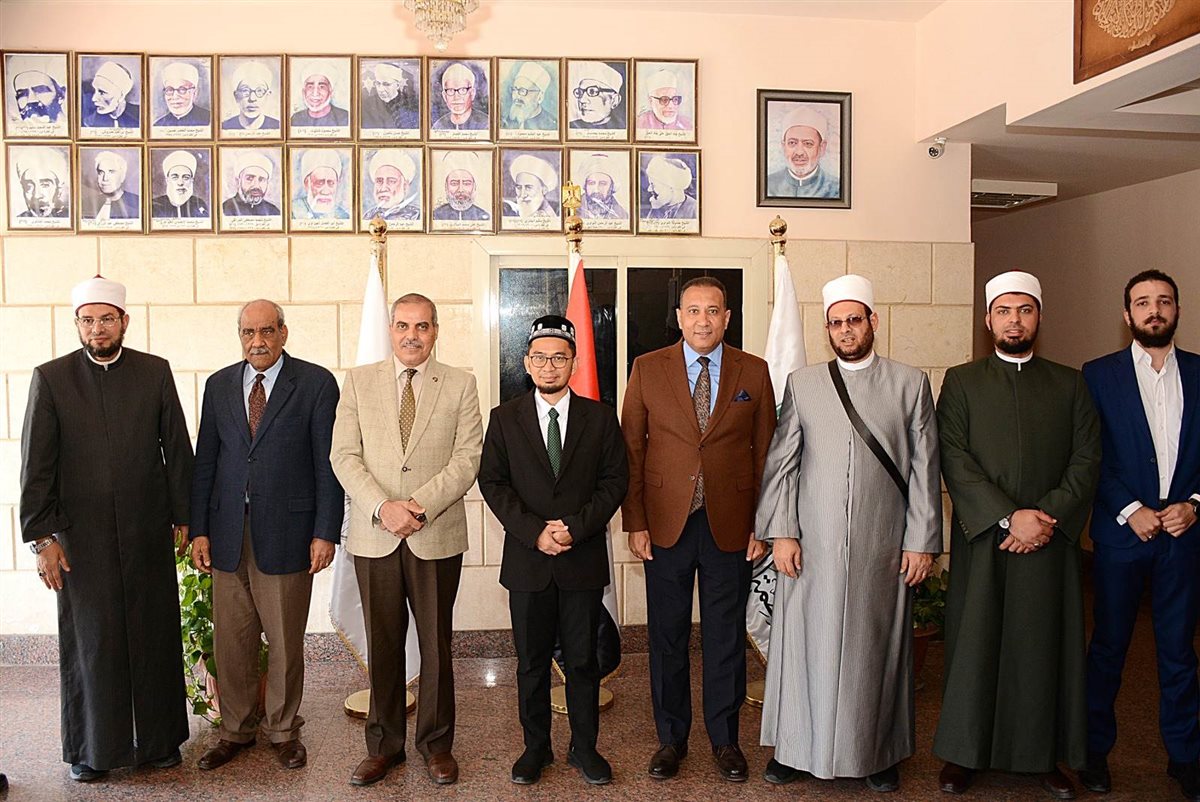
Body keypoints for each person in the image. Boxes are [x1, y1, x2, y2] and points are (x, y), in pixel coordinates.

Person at [755, 275, 942, 793]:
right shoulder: (805, 383)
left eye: (854, 320)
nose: (845, 330)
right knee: (804, 648)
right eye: (835, 323)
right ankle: (794, 749)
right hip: (810, 547)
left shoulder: (909, 384)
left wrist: (921, 541)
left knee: (874, 650)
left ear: (872, 321)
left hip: (882, 545)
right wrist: (782, 532)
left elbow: (925, 468)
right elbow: (782, 465)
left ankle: (877, 753)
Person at [933, 271, 1101, 800]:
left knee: (1041, 648)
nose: (1014, 320)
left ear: (1039, 317)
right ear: (988, 320)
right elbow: (953, 457)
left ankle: (1040, 758)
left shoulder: (1071, 384)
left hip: (1048, 543)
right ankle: (964, 754)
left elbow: (1086, 459)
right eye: (1004, 311)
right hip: (986, 538)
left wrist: (1044, 517)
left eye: (1024, 310)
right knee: (976, 644)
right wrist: (1009, 517)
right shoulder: (962, 381)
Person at [19, 275, 193, 782]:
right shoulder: (51, 379)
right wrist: (43, 539)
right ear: (77, 324)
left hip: (147, 531)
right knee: (93, 643)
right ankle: (91, 750)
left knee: (153, 633)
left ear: (124, 321)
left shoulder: (154, 372)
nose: (98, 328)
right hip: (81, 538)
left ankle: (160, 741)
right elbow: (36, 467)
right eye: (89, 320)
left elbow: (176, 449)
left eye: (107, 319)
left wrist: (185, 516)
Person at [622, 277, 776, 783]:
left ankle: (725, 739)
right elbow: (632, 450)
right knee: (666, 636)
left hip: (731, 526)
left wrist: (764, 524)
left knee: (725, 637)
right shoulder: (647, 368)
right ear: (679, 317)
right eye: (693, 310)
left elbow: (767, 455)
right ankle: (671, 738)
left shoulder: (754, 370)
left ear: (727, 318)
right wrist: (636, 522)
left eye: (713, 311)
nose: (703, 320)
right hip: (665, 524)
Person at [331, 293, 484, 787]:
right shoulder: (359, 381)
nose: (412, 335)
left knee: (436, 645)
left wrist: (417, 505)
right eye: (403, 325)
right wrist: (384, 507)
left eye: (421, 326)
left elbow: (467, 458)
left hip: (434, 533)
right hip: (374, 534)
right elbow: (344, 456)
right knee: (383, 644)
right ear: (391, 329)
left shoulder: (460, 383)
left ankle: (436, 745)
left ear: (435, 331)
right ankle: (384, 747)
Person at [188, 300, 343, 773]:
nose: (257, 341)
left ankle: (282, 729)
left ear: (283, 333)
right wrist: (199, 529)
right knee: (232, 641)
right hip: (227, 532)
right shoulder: (218, 385)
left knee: (284, 640)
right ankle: (235, 730)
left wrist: (325, 532)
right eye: (248, 333)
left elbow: (328, 464)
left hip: (289, 533)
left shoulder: (315, 383)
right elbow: (205, 461)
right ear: (240, 336)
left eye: (267, 331)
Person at [478, 315, 628, 786]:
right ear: (526, 363)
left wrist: (574, 529)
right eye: (540, 357)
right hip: (528, 562)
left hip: (581, 559)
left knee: (583, 661)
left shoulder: (600, 418)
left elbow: (614, 482)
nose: (549, 366)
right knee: (531, 663)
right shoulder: (504, 419)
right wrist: (535, 532)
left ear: (574, 363)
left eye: (559, 358)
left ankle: (585, 748)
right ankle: (535, 748)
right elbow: (493, 483)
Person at [1079, 270, 1200, 800]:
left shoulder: (1199, 372)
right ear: (1127, 314)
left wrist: (1194, 505)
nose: (1155, 310)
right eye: (1143, 302)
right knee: (1108, 648)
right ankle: (1092, 753)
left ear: (1177, 311)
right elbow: (1089, 455)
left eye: (1164, 301)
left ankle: (1186, 757)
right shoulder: (1096, 375)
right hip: (1120, 538)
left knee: (1179, 652)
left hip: (1183, 538)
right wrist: (1130, 509)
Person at [765, 107, 839, 199]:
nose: (799, 152)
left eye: (808, 144)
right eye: (792, 143)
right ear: (784, 147)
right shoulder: (767, 185)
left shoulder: (836, 189)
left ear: (822, 148)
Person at [221, 61, 280, 131]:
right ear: (236, 96)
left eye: (259, 91)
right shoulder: (223, 128)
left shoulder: (278, 127)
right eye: (245, 90)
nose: (252, 98)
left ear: (267, 96)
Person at [81, 150, 139, 221]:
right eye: (101, 172)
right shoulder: (86, 204)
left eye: (111, 172)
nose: (105, 178)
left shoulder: (138, 204)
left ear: (122, 176)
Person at [432, 152, 489, 222]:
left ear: (474, 187)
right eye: (454, 183)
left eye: (467, 183)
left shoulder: (483, 216)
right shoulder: (435, 215)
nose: (460, 189)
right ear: (446, 187)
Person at [360, 62, 418, 130]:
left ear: (397, 85)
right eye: (378, 83)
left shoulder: (411, 103)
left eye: (386, 84)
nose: (380, 89)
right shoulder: (367, 104)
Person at [292, 149, 349, 219]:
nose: (325, 191)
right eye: (319, 183)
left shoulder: (343, 216)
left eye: (331, 183)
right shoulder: (292, 211)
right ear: (307, 184)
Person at [364, 150, 419, 221]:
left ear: (405, 186)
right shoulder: (368, 216)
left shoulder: (417, 215)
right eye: (379, 181)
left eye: (391, 181)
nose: (383, 188)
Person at [151, 150, 209, 218]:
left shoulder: (198, 204)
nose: (180, 183)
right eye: (175, 177)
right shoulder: (155, 205)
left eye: (186, 177)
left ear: (191, 180)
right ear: (167, 180)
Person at [14, 147, 69, 218]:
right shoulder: (18, 220)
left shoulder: (70, 218)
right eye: (29, 186)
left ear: (59, 190)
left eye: (45, 185)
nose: (36, 195)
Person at [82, 60, 139, 128]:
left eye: (102, 92)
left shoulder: (139, 116)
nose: (94, 98)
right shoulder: (89, 122)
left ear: (121, 96)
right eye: (95, 90)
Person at [222, 152, 281, 217]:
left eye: (261, 180)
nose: (256, 185)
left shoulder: (274, 212)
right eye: (249, 178)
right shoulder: (224, 210)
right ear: (238, 181)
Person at [432, 62, 487, 130]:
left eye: (463, 90)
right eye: (450, 90)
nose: (456, 96)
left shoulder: (486, 125)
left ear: (472, 93)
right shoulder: (438, 126)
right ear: (444, 96)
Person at [501, 62, 555, 131]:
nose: (517, 96)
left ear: (540, 97)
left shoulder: (551, 125)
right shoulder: (505, 122)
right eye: (515, 89)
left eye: (523, 91)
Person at [154, 61, 210, 126]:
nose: (175, 96)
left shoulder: (210, 120)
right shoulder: (158, 125)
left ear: (194, 93)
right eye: (170, 90)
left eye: (182, 89)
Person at [570, 62, 624, 130]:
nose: (582, 100)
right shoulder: (570, 127)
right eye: (580, 92)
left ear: (614, 101)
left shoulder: (622, 128)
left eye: (592, 92)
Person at [504, 154, 558, 218]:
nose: (522, 194)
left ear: (544, 190)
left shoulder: (554, 213)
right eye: (519, 187)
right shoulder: (510, 210)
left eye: (528, 187)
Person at [577, 153, 627, 220]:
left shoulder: (622, 215)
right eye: (591, 183)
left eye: (603, 184)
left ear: (611, 187)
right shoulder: (573, 211)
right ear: (585, 186)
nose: (596, 190)